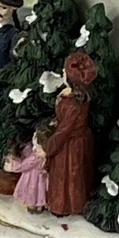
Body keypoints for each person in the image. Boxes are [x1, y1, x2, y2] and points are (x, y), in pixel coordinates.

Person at [42, 52, 97, 217]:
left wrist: (47, 147)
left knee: (68, 175)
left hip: (70, 145)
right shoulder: (72, 96)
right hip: (74, 140)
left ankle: (64, 206)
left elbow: (64, 131)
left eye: (65, 71)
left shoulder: (73, 104)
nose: (62, 73)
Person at [5, 125, 52, 214]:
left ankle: (33, 205)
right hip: (40, 177)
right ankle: (38, 206)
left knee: (32, 191)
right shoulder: (40, 154)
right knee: (39, 192)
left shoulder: (36, 157)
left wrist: (12, 164)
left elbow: (24, 165)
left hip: (33, 177)